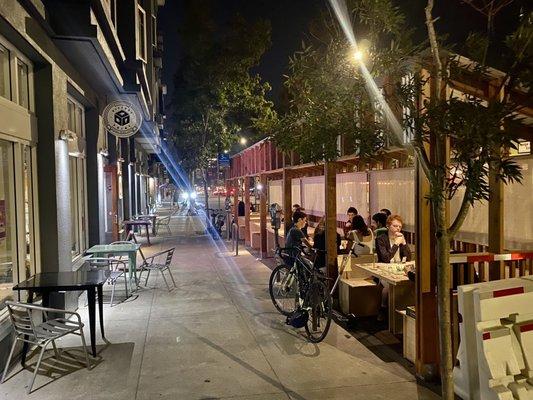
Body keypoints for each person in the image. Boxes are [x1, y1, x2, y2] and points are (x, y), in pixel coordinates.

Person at [375, 214, 412, 321]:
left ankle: (402, 313)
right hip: (384, 270)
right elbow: (386, 258)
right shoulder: (381, 239)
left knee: (408, 284)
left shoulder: (400, 239)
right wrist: (396, 244)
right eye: (395, 226)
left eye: (400, 227)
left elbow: (408, 257)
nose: (398, 229)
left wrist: (404, 243)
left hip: (399, 269)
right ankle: (383, 309)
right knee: (389, 286)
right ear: (388, 226)